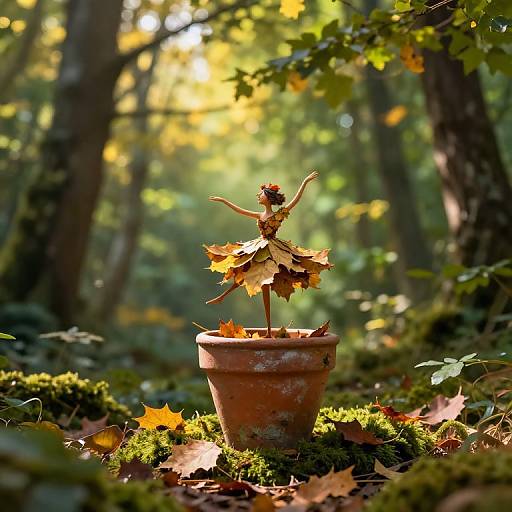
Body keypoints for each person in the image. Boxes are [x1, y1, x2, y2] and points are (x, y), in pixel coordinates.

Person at [205, 171, 332, 337]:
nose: (258, 196)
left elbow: (295, 200)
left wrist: (305, 182)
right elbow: (239, 210)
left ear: (269, 198)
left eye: (262, 194)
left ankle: (269, 330)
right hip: (258, 246)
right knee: (243, 268)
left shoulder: (279, 215)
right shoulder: (259, 215)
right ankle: (223, 295)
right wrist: (223, 200)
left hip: (275, 248)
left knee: (268, 280)